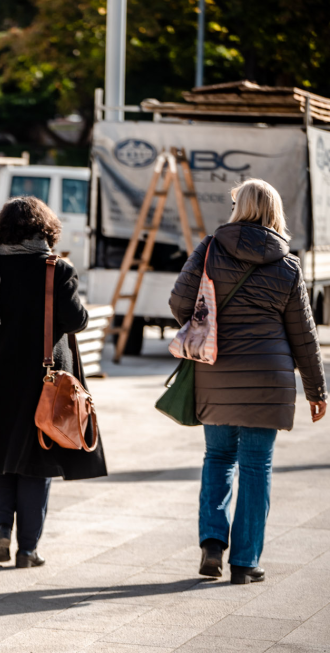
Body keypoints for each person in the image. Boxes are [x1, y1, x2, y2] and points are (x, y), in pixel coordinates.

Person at [169, 179, 326, 585]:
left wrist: (208, 320)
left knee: (218, 458)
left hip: (216, 368)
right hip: (269, 381)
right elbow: (303, 335)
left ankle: (212, 545)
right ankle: (245, 561)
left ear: (239, 208)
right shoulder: (288, 265)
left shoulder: (209, 250)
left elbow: (178, 302)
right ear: (275, 211)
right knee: (257, 466)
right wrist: (317, 390)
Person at [0, 197, 106, 568]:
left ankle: (2, 526)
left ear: (1, 227)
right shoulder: (55, 268)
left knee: (0, 457)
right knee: (39, 459)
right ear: (46, 229)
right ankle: (28, 549)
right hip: (42, 380)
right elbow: (77, 321)